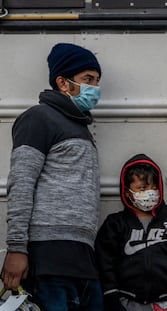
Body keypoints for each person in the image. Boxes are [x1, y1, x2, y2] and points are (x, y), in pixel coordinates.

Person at [1, 43, 104, 310]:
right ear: (63, 82)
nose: (95, 88)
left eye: (96, 81)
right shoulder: (38, 118)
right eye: (87, 80)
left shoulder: (80, 127)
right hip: (47, 256)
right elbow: (21, 184)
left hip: (81, 257)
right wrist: (17, 249)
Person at [95, 154, 167, 311]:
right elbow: (105, 263)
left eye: (154, 188)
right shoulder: (115, 224)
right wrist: (111, 296)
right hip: (128, 302)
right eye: (142, 188)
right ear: (127, 192)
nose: (150, 193)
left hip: (166, 303)